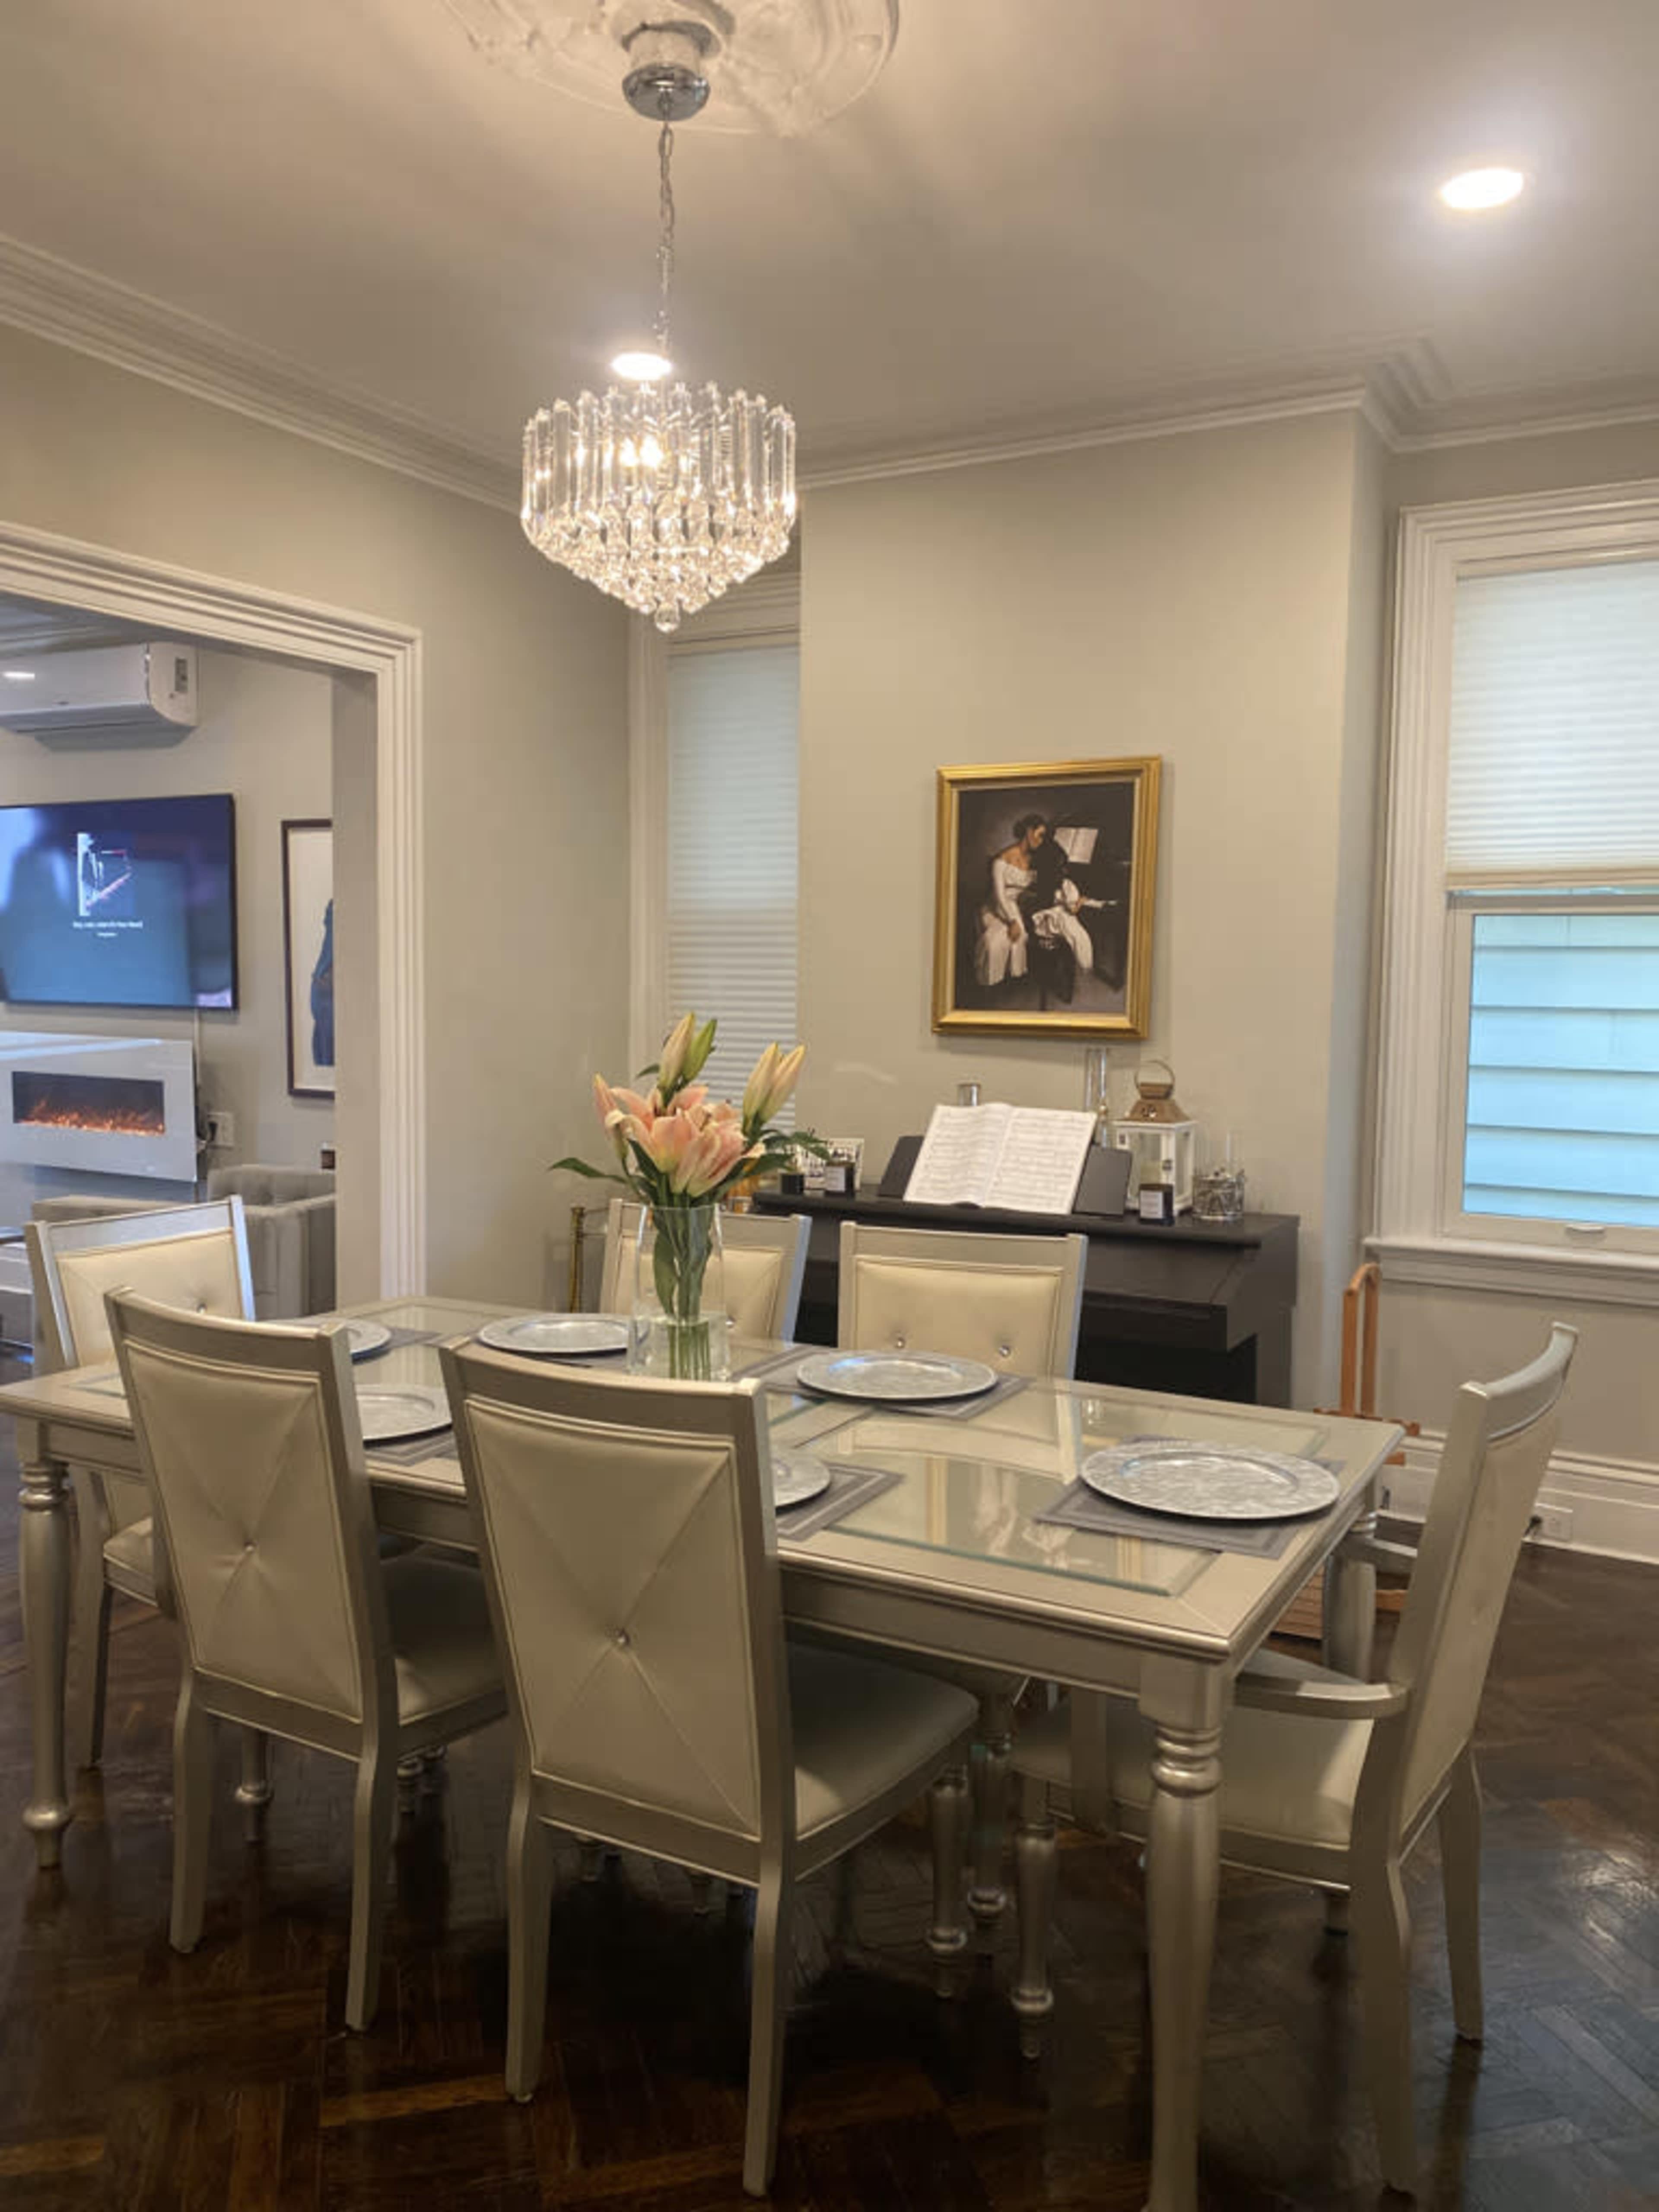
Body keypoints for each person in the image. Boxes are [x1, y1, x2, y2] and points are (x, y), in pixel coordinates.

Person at [973, 814, 1047, 989]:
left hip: (1014, 906)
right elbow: (999, 896)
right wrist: (1012, 921)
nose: (1042, 841)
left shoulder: (1036, 860)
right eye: (1040, 835)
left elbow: (1031, 890)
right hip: (995, 907)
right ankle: (991, 982)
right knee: (996, 942)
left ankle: (1011, 979)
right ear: (1029, 832)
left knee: (1018, 937)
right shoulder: (1002, 859)